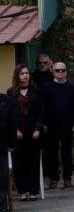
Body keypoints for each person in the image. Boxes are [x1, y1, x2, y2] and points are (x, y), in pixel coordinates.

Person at [40, 61, 74, 189]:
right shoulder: (46, 88)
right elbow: (42, 108)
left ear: (66, 71)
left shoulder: (73, 88)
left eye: (63, 70)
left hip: (68, 125)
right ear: (52, 72)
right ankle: (54, 178)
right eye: (57, 70)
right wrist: (43, 123)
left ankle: (67, 177)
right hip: (51, 126)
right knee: (52, 153)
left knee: (67, 152)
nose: (60, 72)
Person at [7, 65, 44, 201]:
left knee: (33, 162)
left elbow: (42, 111)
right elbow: (9, 114)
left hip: (33, 130)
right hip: (18, 132)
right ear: (17, 75)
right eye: (22, 73)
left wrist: (37, 129)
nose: (25, 75)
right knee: (18, 163)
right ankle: (22, 191)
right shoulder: (11, 92)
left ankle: (33, 191)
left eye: (27, 73)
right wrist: (15, 130)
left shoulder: (36, 91)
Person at [0, 86, 18, 212]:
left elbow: (12, 124)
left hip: (2, 144)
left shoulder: (7, 101)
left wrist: (12, 144)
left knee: (2, 176)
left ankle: (2, 204)